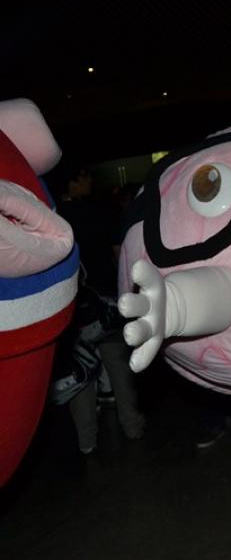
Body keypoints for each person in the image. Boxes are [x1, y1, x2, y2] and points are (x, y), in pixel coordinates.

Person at [52, 166, 145, 454]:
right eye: (85, 176)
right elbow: (118, 254)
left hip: (71, 310)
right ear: (73, 182)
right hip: (106, 304)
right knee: (118, 366)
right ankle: (132, 426)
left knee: (80, 375)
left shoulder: (53, 218)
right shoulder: (100, 211)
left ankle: (87, 442)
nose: (90, 180)